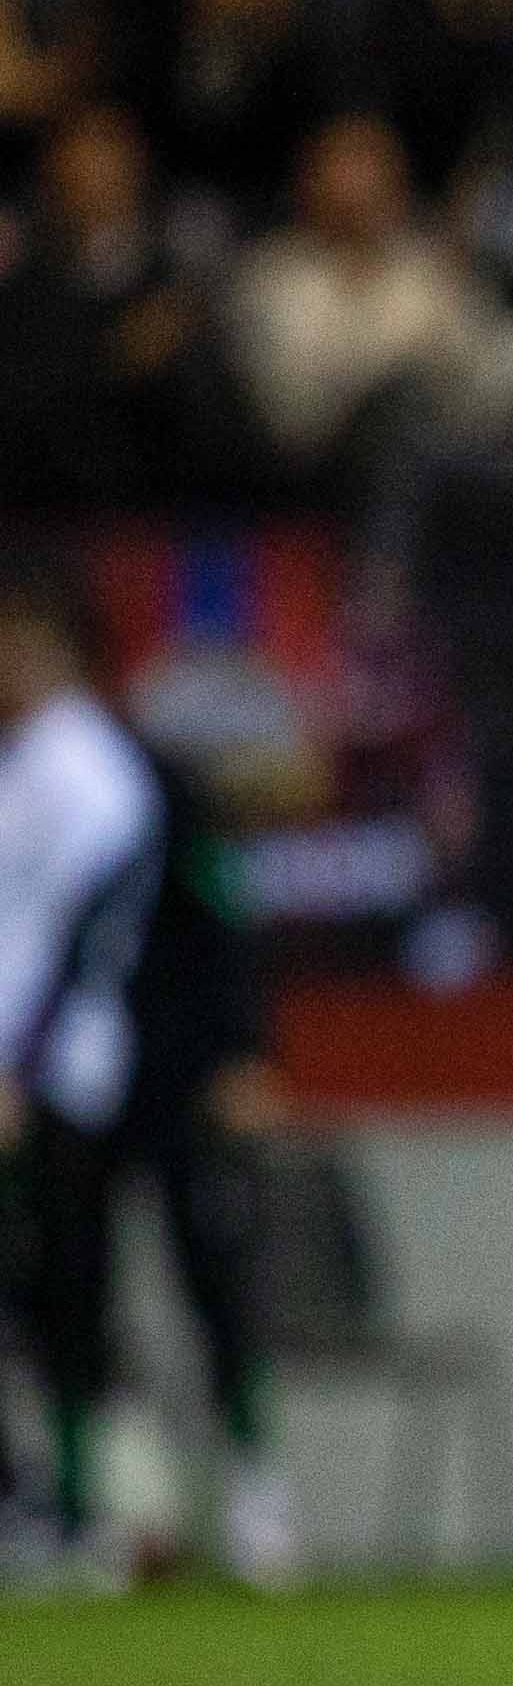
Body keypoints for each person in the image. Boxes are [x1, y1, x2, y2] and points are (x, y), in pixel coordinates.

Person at [0, 565, 165, 1584]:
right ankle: (40, 1502)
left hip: (57, 1078)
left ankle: (87, 1509)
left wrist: (21, 1067)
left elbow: (86, 937)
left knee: (66, 1292)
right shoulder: (19, 767)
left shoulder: (93, 769)